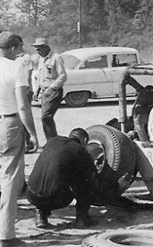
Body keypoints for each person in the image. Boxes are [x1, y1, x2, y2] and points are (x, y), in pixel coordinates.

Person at [0, 32, 39, 247]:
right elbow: (23, 106)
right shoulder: (17, 68)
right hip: (9, 123)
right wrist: (32, 133)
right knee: (9, 179)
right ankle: (6, 236)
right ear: (14, 48)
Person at [26, 128, 98, 228]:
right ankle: (82, 218)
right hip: (57, 199)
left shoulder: (53, 141)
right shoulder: (79, 150)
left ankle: (41, 216)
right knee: (85, 180)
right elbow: (93, 175)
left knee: (49, 174)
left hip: (31, 195)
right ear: (85, 141)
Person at [32, 37, 67, 141]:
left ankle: (52, 141)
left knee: (45, 117)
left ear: (45, 47)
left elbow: (63, 76)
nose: (37, 52)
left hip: (53, 92)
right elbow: (40, 76)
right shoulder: (41, 59)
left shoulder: (56, 58)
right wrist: (37, 89)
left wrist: (52, 87)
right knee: (46, 118)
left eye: (39, 49)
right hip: (44, 92)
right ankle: (51, 140)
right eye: (36, 49)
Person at [15, 40, 34, 153]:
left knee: (23, 117)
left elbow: (28, 74)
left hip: (23, 90)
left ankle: (28, 142)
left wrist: (26, 88)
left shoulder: (25, 57)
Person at [125, 75, 153, 141]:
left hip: (143, 121)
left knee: (138, 122)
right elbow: (138, 87)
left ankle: (144, 142)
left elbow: (139, 88)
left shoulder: (147, 106)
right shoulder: (151, 100)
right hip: (142, 120)